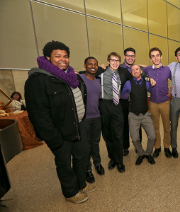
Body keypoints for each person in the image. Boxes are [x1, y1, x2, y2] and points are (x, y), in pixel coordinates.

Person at [25, 40, 95, 204]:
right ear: (48, 57)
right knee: (64, 163)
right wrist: (53, 138)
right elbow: (38, 114)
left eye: (65, 56)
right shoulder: (38, 80)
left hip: (77, 126)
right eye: (58, 56)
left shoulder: (70, 76)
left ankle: (80, 184)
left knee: (81, 157)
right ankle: (70, 192)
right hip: (59, 132)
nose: (63, 59)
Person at [95, 52, 132, 173]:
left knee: (118, 134)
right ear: (108, 61)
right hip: (104, 104)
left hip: (117, 105)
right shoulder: (101, 72)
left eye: (117, 60)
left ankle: (119, 161)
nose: (115, 62)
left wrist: (148, 77)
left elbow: (137, 74)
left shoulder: (123, 72)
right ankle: (112, 158)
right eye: (113, 60)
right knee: (107, 134)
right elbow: (87, 73)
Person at [121, 65, 156, 165]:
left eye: (137, 69)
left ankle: (148, 153)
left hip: (145, 114)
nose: (135, 71)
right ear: (131, 73)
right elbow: (122, 95)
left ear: (141, 72)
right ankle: (141, 154)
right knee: (135, 139)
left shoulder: (147, 82)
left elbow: (153, 91)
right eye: (132, 70)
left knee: (152, 136)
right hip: (133, 115)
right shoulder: (128, 83)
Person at [77, 57, 104, 184]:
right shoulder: (79, 79)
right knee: (85, 145)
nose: (93, 66)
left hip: (97, 117)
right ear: (85, 65)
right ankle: (87, 169)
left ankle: (97, 164)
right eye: (90, 64)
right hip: (84, 119)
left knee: (95, 143)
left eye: (95, 64)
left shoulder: (99, 80)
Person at [144, 47, 172, 158]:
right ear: (150, 58)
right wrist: (147, 79)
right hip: (153, 103)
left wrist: (171, 89)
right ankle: (157, 147)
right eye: (153, 56)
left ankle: (166, 147)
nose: (156, 58)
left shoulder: (167, 69)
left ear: (161, 57)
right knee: (155, 127)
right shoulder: (147, 70)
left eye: (157, 55)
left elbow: (174, 79)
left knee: (166, 127)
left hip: (165, 102)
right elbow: (138, 72)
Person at [120, 47, 143, 156]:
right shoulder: (118, 69)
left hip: (136, 102)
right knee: (124, 125)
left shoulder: (137, 69)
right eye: (128, 55)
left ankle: (138, 146)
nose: (130, 58)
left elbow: (147, 77)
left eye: (132, 56)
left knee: (137, 125)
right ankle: (125, 147)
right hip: (123, 102)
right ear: (124, 56)